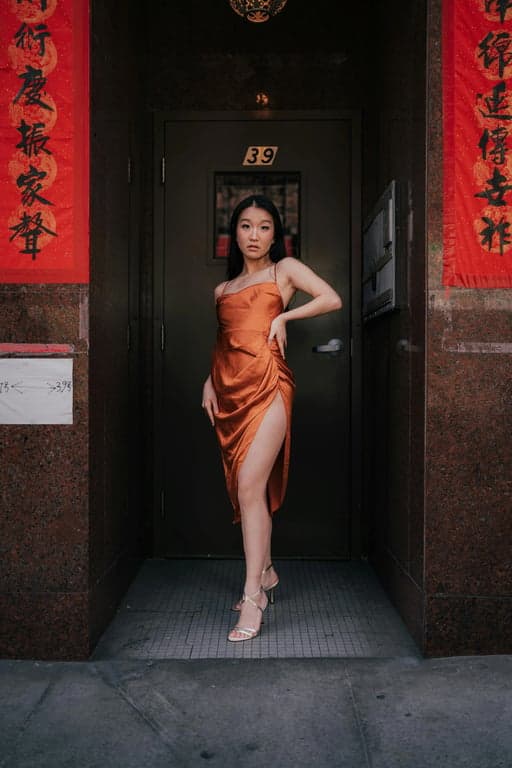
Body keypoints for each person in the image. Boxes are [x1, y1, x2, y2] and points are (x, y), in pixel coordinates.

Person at [201, 194, 342, 643]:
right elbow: (225, 342)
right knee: (247, 488)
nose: (254, 235)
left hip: (269, 386)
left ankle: (252, 596)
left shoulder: (285, 271)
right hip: (229, 389)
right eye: (246, 226)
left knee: (248, 487)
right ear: (234, 234)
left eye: (264, 226)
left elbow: (331, 298)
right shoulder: (221, 291)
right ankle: (267, 572)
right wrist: (209, 381)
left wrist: (285, 315)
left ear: (274, 234)